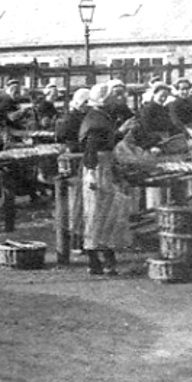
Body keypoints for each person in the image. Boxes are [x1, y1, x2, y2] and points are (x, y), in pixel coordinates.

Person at [79, 83, 133, 275]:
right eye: (112, 96)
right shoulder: (96, 119)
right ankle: (100, 261)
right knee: (98, 215)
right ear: (105, 99)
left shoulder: (100, 116)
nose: (115, 100)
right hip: (98, 169)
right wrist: (92, 173)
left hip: (104, 166)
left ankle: (100, 261)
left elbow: (106, 141)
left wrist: (119, 133)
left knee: (104, 215)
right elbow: (91, 148)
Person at [56, 88, 90, 251]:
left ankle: (81, 239)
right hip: (75, 162)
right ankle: (75, 241)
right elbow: (63, 138)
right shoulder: (70, 119)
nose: (87, 106)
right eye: (85, 103)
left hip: (82, 160)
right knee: (76, 203)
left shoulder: (84, 116)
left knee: (82, 203)